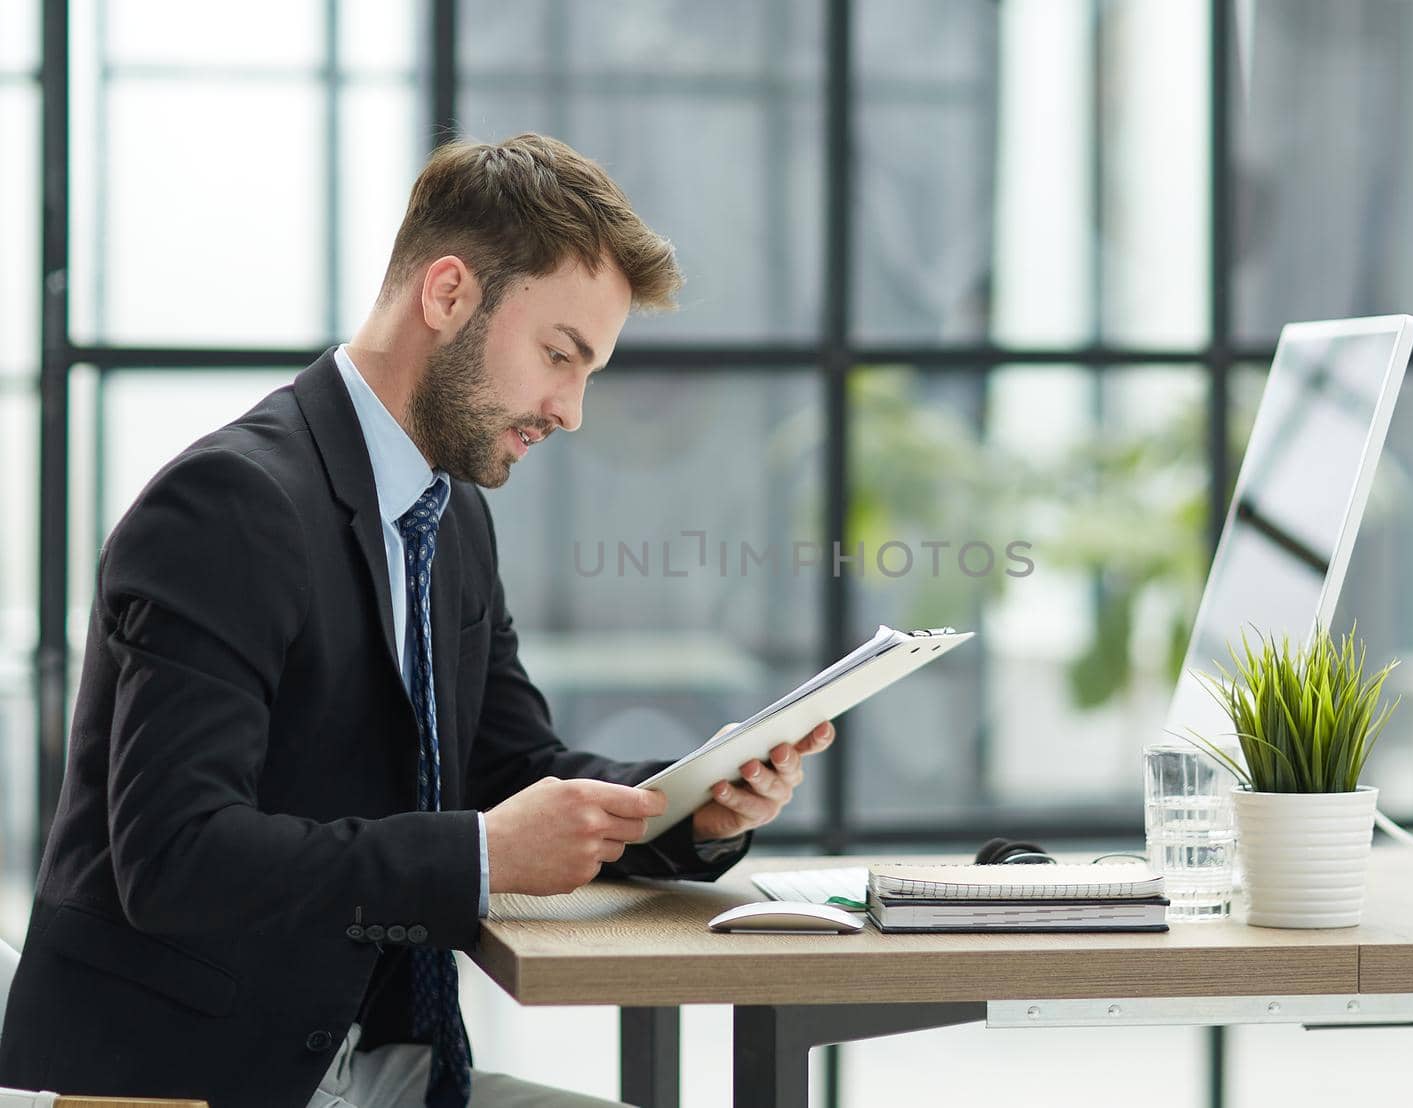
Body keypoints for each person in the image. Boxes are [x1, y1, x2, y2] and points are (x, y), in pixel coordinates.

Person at [0, 132, 833, 1108]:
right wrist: (477, 854)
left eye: (589, 373)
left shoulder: (449, 514)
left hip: (375, 1067)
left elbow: (512, 769)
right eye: (559, 355)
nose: (569, 411)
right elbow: (176, 857)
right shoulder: (228, 505)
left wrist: (696, 803)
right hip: (198, 1078)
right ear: (447, 295)